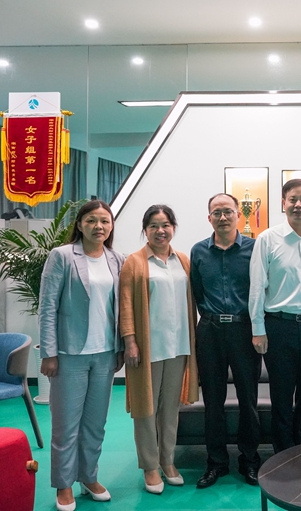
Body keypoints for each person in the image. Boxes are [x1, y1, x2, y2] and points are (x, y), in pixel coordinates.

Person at [39, 200, 124, 511]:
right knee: (66, 425)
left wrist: (121, 347)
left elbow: (120, 308)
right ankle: (64, 485)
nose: (98, 226)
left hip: (105, 353)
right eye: (91, 220)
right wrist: (49, 353)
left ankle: (88, 477)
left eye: (104, 221)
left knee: (95, 424)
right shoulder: (62, 256)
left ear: (111, 226)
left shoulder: (117, 259)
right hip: (69, 354)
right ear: (79, 224)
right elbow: (47, 306)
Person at [249, 179, 301, 453]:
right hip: (279, 327)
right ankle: (284, 456)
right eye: (293, 199)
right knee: (282, 396)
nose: (298, 205)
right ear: (283, 203)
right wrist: (258, 329)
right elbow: (257, 286)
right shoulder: (267, 239)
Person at [119, 205, 199, 494]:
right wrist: (130, 341)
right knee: (146, 409)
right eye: (153, 226)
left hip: (178, 347)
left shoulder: (183, 261)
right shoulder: (135, 262)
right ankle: (150, 466)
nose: (160, 231)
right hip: (147, 348)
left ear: (173, 228)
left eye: (165, 225)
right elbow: (125, 305)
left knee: (170, 408)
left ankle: (168, 460)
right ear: (145, 230)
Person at [190, 193, 262, 487]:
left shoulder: (254, 249)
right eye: (216, 212)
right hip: (210, 331)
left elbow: (261, 288)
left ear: (238, 215)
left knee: (248, 399)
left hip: (244, 330)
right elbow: (197, 292)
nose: (222, 217)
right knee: (213, 400)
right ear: (209, 218)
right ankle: (216, 463)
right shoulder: (198, 251)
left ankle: (250, 460)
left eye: (228, 211)